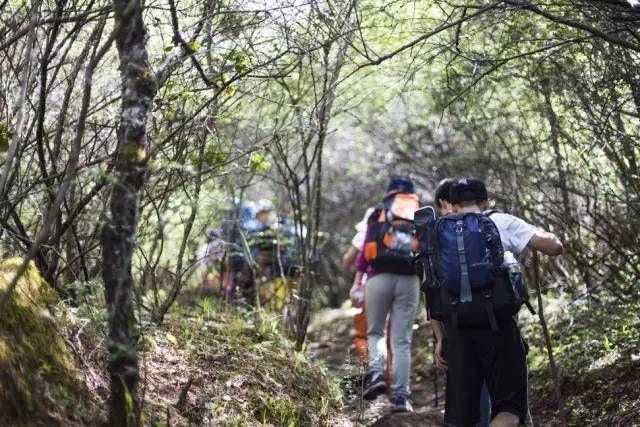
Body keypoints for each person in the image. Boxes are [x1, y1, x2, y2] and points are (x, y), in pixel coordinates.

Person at [437, 178, 563, 427]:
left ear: (452, 204)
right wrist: (544, 234)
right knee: (509, 408)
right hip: (498, 328)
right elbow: (554, 247)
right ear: (485, 202)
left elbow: (431, 285)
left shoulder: (439, 231)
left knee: (463, 417)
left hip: (456, 331)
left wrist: (440, 338)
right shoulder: (500, 221)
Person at [355, 176, 421, 412]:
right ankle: (401, 397)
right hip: (409, 279)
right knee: (401, 340)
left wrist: (357, 282)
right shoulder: (420, 213)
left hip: (378, 277)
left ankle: (376, 375)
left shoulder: (378, 212)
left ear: (390, 191)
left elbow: (364, 252)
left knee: (375, 332)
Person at [430, 178, 491, 427]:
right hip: (491, 319)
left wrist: (439, 338)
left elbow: (432, 290)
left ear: (446, 203)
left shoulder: (437, 233)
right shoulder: (487, 224)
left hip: (455, 325)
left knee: (461, 391)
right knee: (486, 385)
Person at [344, 208, 392, 385]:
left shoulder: (365, 232)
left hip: (368, 287)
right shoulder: (394, 230)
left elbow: (347, 260)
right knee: (389, 334)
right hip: (396, 286)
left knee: (364, 334)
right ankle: (389, 376)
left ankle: (373, 372)